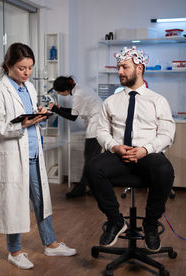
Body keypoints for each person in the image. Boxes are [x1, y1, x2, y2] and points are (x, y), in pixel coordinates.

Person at [0, 43, 76, 270]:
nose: (26, 73)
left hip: (34, 152)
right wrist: (21, 125)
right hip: (13, 156)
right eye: (21, 68)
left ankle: (50, 244)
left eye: (30, 68)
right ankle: (14, 252)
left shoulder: (27, 88)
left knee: (42, 201)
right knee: (14, 204)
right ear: (8, 66)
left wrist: (38, 115)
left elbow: (28, 116)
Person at [86, 46, 175, 252]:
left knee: (165, 170)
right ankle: (116, 220)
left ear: (140, 68)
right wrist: (114, 146)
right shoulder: (111, 101)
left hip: (147, 154)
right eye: (118, 67)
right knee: (93, 168)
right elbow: (101, 131)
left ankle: (150, 224)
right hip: (118, 154)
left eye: (124, 67)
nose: (119, 72)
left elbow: (167, 133)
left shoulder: (157, 100)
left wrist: (146, 149)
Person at [49, 76, 102, 198]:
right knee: (91, 159)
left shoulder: (78, 95)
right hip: (97, 123)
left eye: (59, 91)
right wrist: (60, 109)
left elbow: (73, 117)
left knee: (90, 160)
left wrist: (56, 110)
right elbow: (75, 111)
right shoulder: (80, 89)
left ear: (65, 90)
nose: (58, 93)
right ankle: (90, 189)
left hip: (96, 126)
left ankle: (82, 189)